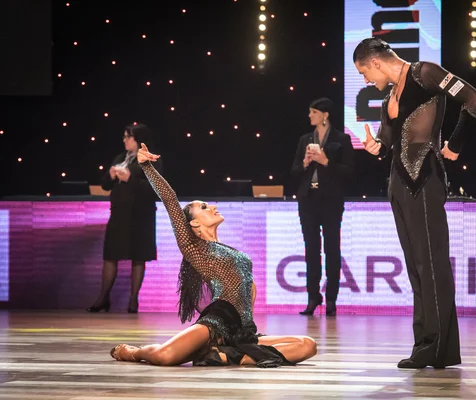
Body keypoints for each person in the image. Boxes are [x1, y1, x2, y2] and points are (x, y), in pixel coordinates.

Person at [109, 144, 317, 367]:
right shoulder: (193, 247)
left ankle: (227, 355)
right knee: (165, 356)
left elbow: (248, 293)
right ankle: (133, 352)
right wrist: (146, 166)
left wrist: (247, 326)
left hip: (243, 332)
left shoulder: (231, 251)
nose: (213, 207)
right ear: (194, 223)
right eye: (204, 207)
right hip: (216, 324)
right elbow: (169, 199)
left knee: (308, 344)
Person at [353, 38, 476, 369]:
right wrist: (376, 147)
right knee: (416, 268)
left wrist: (455, 142)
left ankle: (438, 346)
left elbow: (474, 99)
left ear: (376, 62)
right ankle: (424, 343)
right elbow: (389, 142)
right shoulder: (388, 100)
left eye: (364, 72)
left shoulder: (424, 73)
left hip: (425, 180)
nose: (365, 80)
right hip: (398, 185)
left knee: (432, 264)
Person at [290, 98, 354, 317]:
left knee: (332, 249)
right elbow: (294, 171)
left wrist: (326, 161)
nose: (310, 116)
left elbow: (350, 172)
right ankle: (312, 296)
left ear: (325, 115)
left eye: (314, 112)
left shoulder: (341, 139)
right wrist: (306, 163)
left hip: (331, 200)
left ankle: (332, 299)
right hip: (308, 199)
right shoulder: (305, 139)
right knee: (311, 250)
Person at [87, 123, 160, 313]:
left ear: (139, 140)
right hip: (119, 214)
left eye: (129, 137)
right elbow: (104, 185)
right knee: (111, 255)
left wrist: (131, 179)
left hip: (140, 215)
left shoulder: (150, 159)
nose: (125, 140)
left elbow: (156, 188)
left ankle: (133, 300)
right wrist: (110, 176)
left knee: (138, 257)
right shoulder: (121, 158)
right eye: (125, 137)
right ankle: (103, 297)